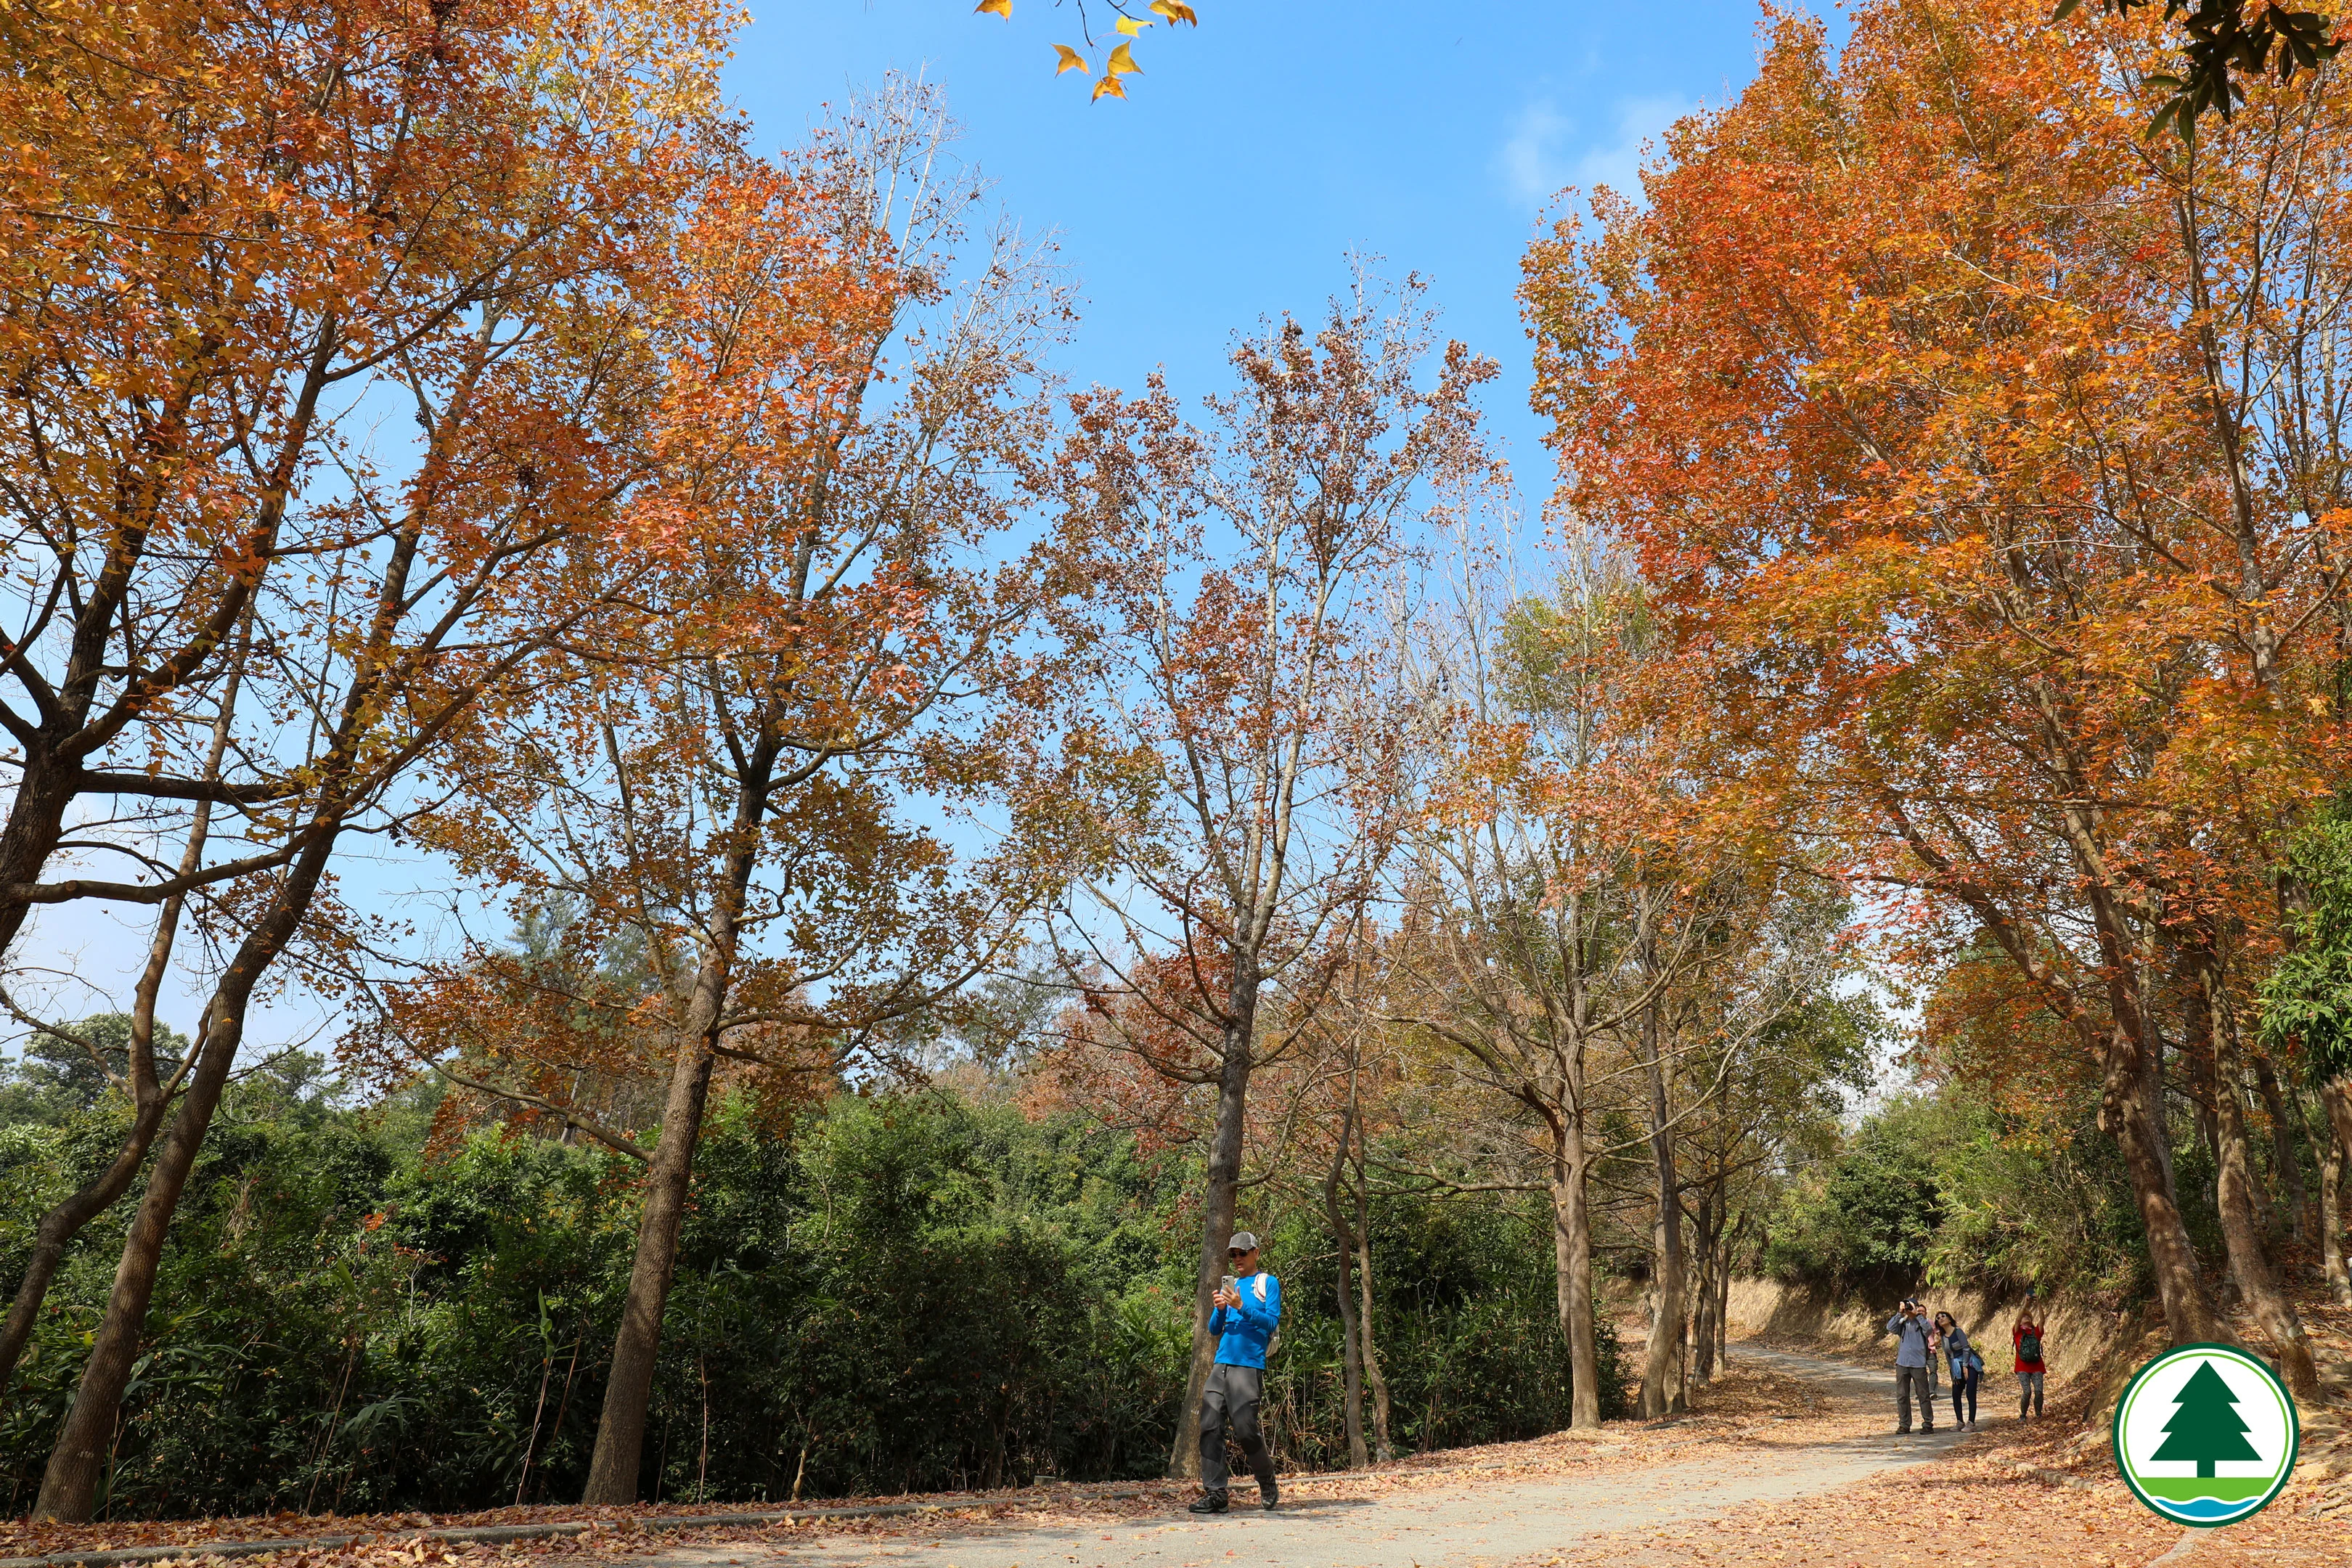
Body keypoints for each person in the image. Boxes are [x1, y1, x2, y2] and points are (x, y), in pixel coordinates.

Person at [1188, 1231, 1283, 1514]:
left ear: (1256, 1252)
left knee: (1245, 1429)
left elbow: (1271, 1323)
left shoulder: (1267, 1283)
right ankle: (1216, 1494)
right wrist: (1220, 1309)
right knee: (1209, 1425)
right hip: (1222, 1364)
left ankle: (1266, 1482)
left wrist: (1241, 1306)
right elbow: (1215, 1329)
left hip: (1248, 1365)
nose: (1238, 1259)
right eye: (1234, 1255)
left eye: (1243, 1253)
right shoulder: (1231, 1287)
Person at [1885, 1297, 1937, 1434]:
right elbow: (1890, 1327)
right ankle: (1904, 1424)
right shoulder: (1902, 1322)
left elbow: (1928, 1331)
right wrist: (1900, 1313)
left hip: (1918, 1363)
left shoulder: (1922, 1323)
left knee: (1923, 1394)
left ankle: (1927, 1423)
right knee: (1902, 1395)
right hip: (1902, 1363)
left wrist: (1918, 1315)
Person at [1935, 1310, 1983, 1430]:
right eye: (1938, 1318)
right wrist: (1953, 1371)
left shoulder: (1958, 1332)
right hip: (1956, 1366)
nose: (1940, 1318)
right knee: (1956, 1393)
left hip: (1970, 1364)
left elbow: (1966, 1348)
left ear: (1950, 1319)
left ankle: (1971, 1422)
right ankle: (1959, 1422)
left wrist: (1965, 1366)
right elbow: (1947, 1355)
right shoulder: (1943, 1337)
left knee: (1970, 1393)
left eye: (1943, 1316)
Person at [2013, 1302, 2048, 1420]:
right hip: (2022, 1367)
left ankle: (2038, 1414)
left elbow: (2042, 1321)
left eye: (2028, 1317)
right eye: (2024, 1317)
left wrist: (2039, 1303)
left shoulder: (2036, 1332)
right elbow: (2017, 1321)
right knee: (2027, 1392)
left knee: (2039, 1391)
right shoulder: (2017, 1332)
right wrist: (2025, 1304)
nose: (2026, 1318)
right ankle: (2023, 1414)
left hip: (2037, 1366)